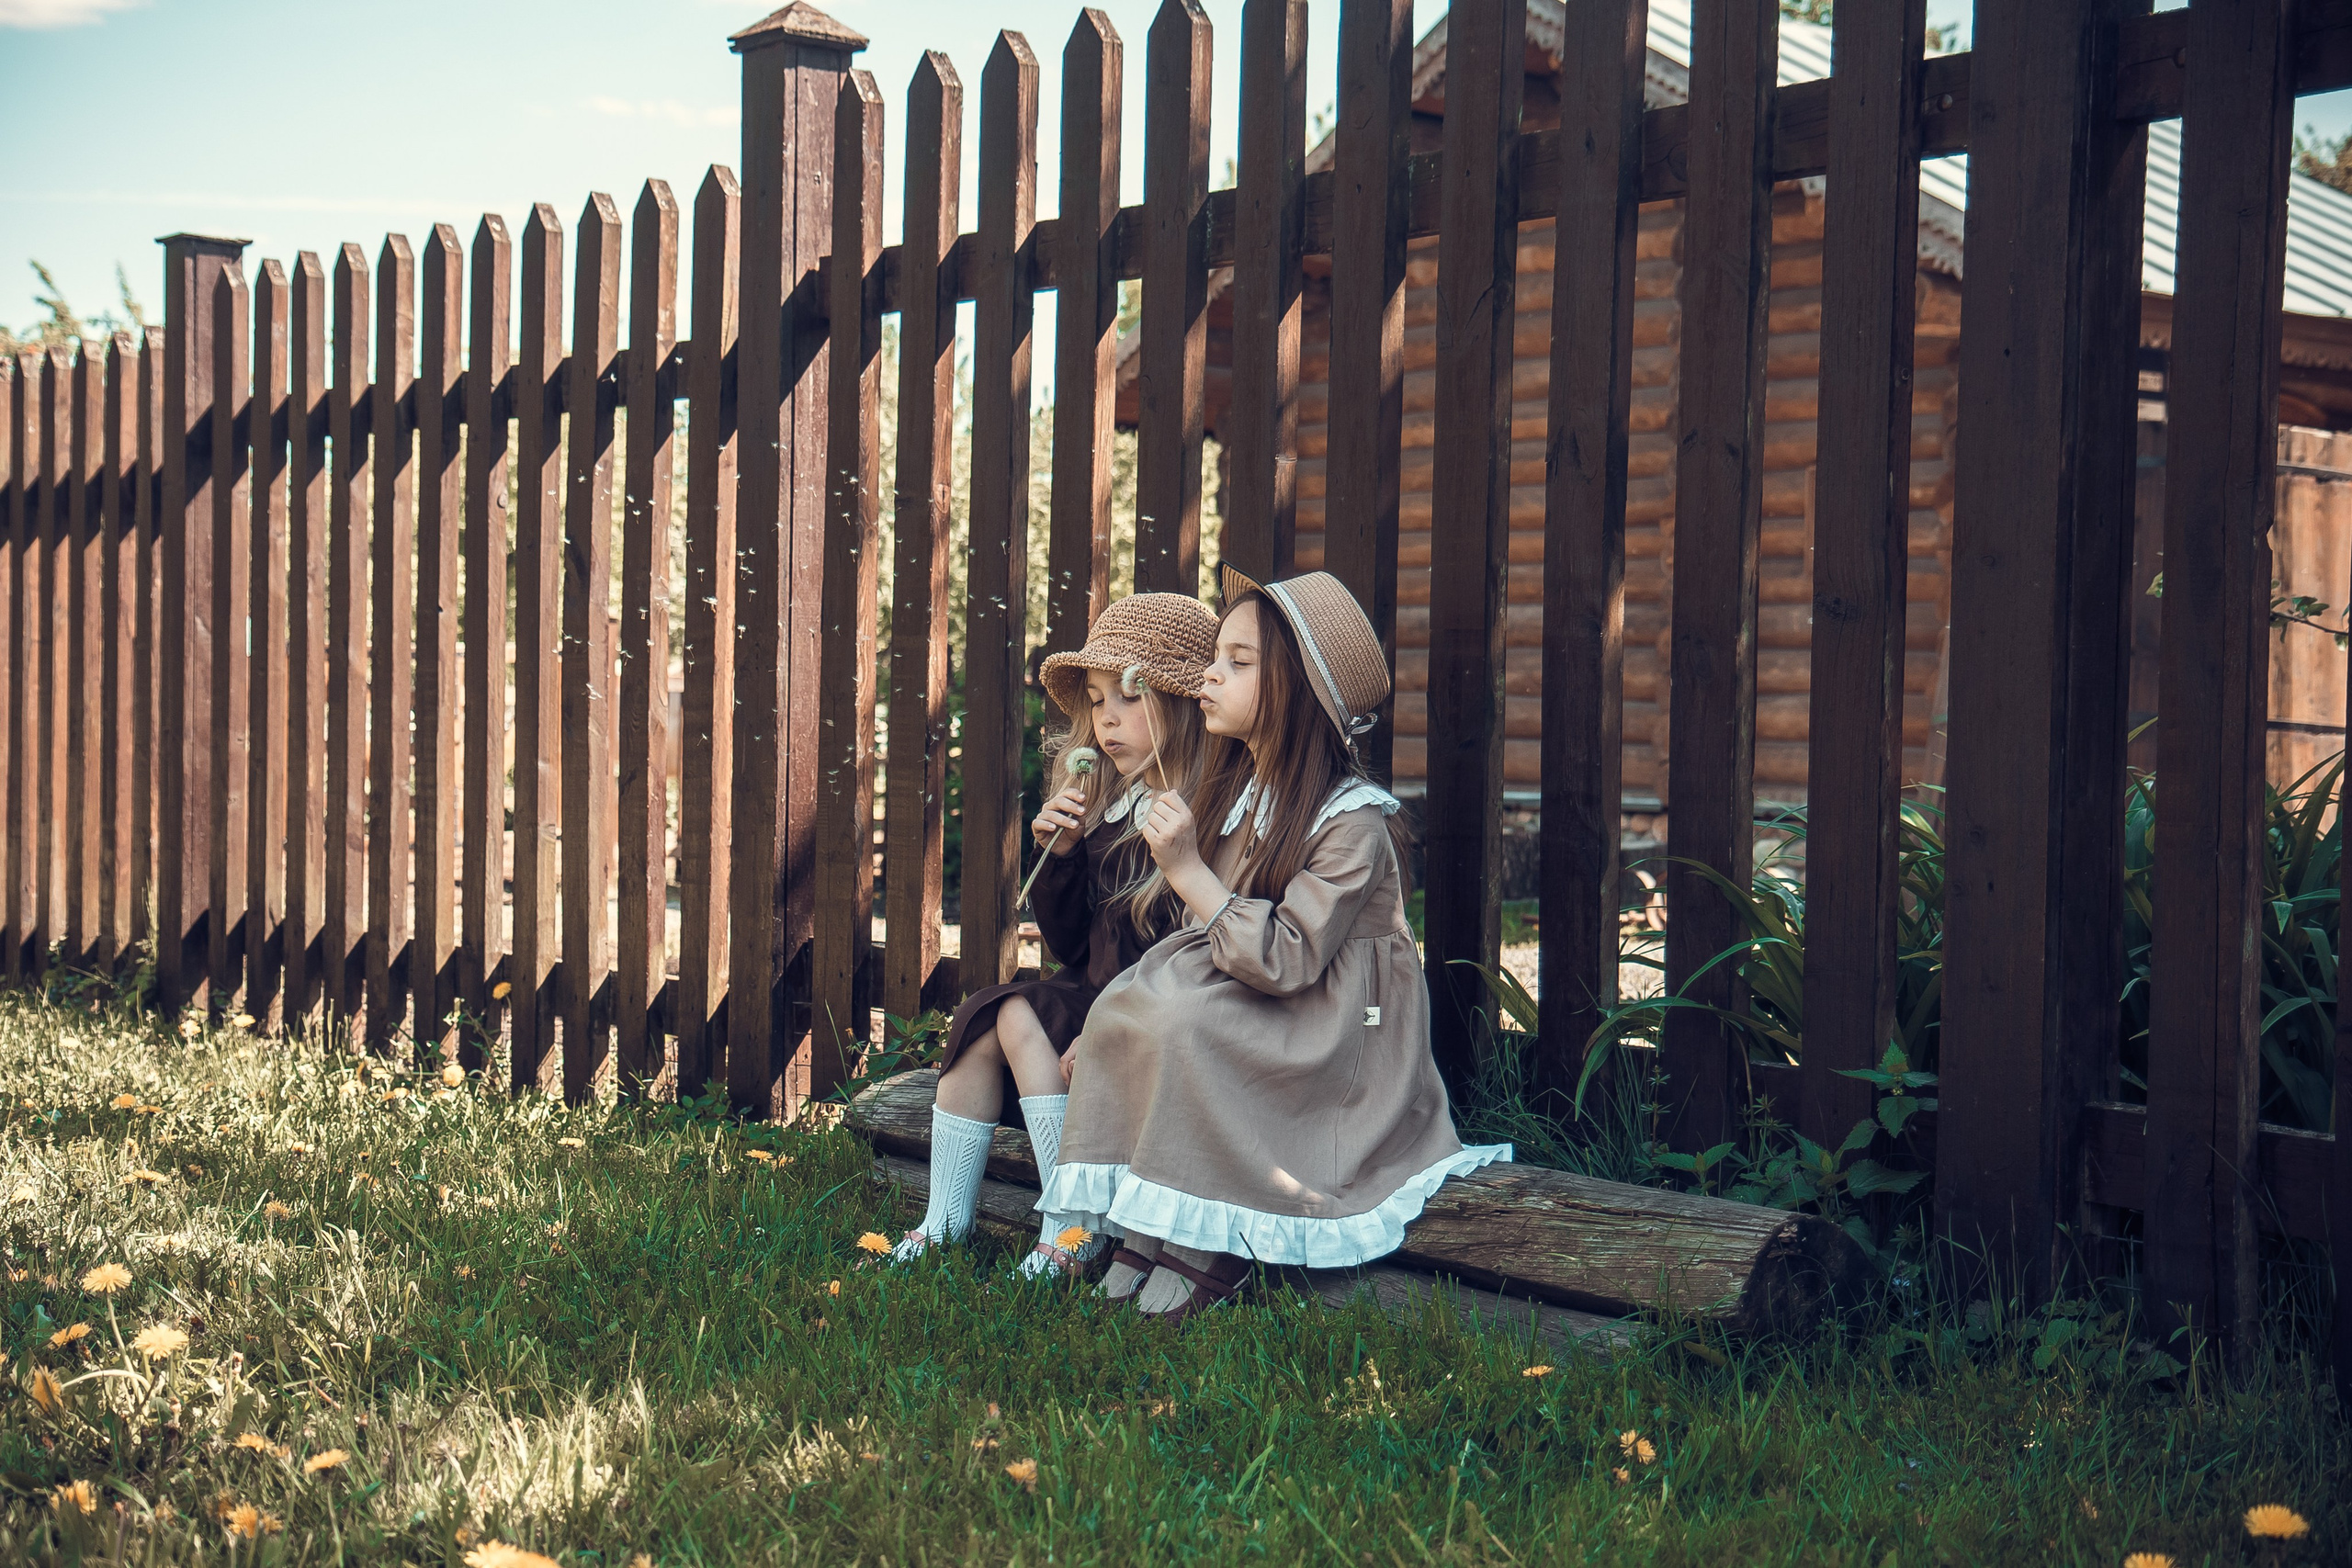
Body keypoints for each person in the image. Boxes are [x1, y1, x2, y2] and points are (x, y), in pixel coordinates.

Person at [1040, 566, 1511, 1320]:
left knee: (1192, 1023)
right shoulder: (1246, 793)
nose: (1210, 676)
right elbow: (1204, 938)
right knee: (1135, 1004)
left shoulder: (1353, 823)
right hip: (1261, 988)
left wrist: (1189, 869)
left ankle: (1208, 1234)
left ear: (1297, 687)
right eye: (1215, 658)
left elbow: (1290, 957)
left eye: (1237, 663)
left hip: (1335, 1035)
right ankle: (1150, 1223)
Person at [892, 592, 1219, 1279]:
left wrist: (1107, 1031)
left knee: (1014, 1011)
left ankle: (1075, 1226)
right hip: (1094, 988)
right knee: (988, 1013)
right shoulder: (1111, 804)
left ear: (1184, 702)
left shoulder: (1197, 815)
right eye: (1096, 702)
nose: (1107, 720)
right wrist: (1062, 855)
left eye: (1128, 698)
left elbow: (1188, 956)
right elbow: (1072, 946)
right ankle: (944, 1219)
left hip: (1148, 1008)